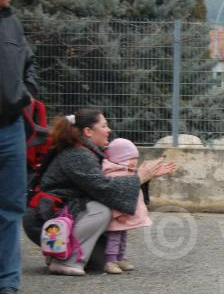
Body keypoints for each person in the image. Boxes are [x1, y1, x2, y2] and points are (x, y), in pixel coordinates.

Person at [22, 109, 175, 275]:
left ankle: (57, 253)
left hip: (59, 215)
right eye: (104, 125)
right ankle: (65, 261)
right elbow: (103, 188)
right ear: (88, 131)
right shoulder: (78, 153)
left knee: (100, 261)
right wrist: (139, 177)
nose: (109, 130)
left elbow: (108, 183)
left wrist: (142, 177)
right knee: (102, 210)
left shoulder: (87, 150)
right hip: (45, 218)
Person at [0, 0, 38, 294]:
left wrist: (26, 92)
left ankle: (7, 282)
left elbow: (29, 64)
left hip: (10, 127)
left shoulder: (12, 24)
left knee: (11, 205)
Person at [101, 138, 154, 274]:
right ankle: (110, 260)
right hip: (118, 215)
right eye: (131, 159)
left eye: (135, 158)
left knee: (123, 237)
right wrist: (118, 214)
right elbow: (114, 196)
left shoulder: (126, 172)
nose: (134, 162)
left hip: (125, 213)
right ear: (120, 158)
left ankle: (121, 257)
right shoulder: (115, 174)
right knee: (114, 237)